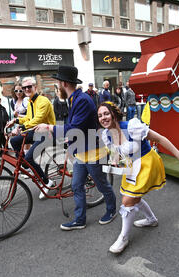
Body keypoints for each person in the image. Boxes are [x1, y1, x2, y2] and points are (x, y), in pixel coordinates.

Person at [97, 102, 179, 253]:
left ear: (114, 114)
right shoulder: (106, 134)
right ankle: (151, 219)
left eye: (106, 113)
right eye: (100, 115)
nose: (103, 118)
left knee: (127, 200)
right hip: (132, 165)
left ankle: (123, 238)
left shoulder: (132, 126)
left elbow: (161, 139)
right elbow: (116, 152)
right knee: (132, 196)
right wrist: (115, 161)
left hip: (147, 162)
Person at [34, 65, 117, 230]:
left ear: (64, 83)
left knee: (102, 185)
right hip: (81, 150)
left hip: (93, 151)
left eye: (57, 84)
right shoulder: (75, 98)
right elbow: (75, 126)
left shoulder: (82, 100)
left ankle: (112, 210)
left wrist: (49, 127)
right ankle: (80, 220)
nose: (57, 87)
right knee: (77, 185)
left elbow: (74, 128)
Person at [6, 76, 56, 199]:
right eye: (24, 88)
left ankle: (46, 181)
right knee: (14, 141)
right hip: (36, 132)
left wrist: (22, 128)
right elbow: (28, 118)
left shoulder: (43, 101)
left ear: (35, 87)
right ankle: (25, 165)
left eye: (29, 86)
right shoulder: (30, 101)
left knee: (29, 157)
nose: (27, 89)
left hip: (48, 134)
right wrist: (16, 121)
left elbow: (37, 119)